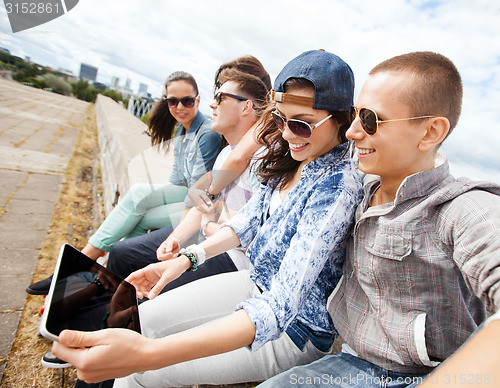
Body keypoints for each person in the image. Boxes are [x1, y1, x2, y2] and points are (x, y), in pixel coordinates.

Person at [52, 49, 363, 387]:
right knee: (137, 321)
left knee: (135, 372)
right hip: (252, 284)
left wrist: (148, 355)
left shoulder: (337, 188)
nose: (287, 134)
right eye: (279, 120)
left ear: (342, 120)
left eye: (301, 124)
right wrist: (186, 259)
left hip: (293, 329)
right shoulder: (291, 155)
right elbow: (247, 221)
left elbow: (280, 305)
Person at [258, 51, 500, 388]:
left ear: (430, 132)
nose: (353, 132)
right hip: (352, 363)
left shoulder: (460, 209)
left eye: (371, 120)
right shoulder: (357, 187)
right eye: (355, 115)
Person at [27, 71, 222, 295]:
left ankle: (80, 266)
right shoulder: (182, 128)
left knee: (138, 201)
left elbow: (196, 190)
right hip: (184, 197)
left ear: (197, 100)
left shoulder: (206, 134)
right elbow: (176, 179)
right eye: (172, 101)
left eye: (186, 100)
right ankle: (109, 278)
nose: (179, 107)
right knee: (137, 209)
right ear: (166, 101)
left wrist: (176, 227)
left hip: (199, 207)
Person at [105, 68, 269, 286]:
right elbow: (202, 207)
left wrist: (207, 226)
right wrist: (175, 239)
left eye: (220, 98)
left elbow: (259, 237)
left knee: (151, 293)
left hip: (233, 259)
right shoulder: (226, 154)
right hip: (205, 242)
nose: (212, 104)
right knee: (121, 253)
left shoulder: (263, 161)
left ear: (246, 106)